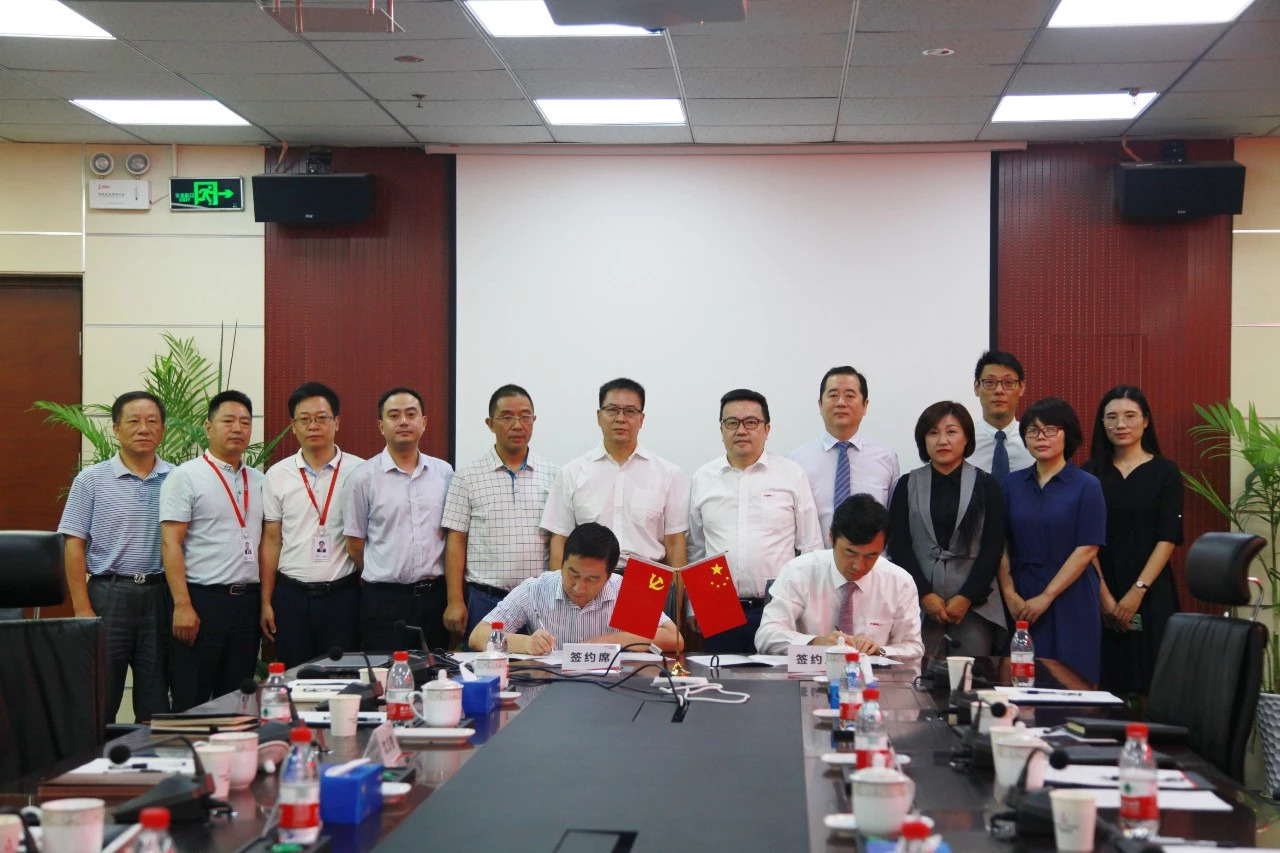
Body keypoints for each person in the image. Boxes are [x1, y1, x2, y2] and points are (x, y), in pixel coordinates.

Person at [58, 391, 173, 723]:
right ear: (116, 429)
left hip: (160, 595)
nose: (143, 428)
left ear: (162, 429)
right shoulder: (91, 480)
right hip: (108, 594)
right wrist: (81, 608)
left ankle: (150, 756)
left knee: (155, 700)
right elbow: (73, 543)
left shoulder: (177, 478)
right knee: (100, 696)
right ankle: (93, 756)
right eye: (134, 421)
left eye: (152, 421)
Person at [687, 388, 822, 653]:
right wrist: (694, 606)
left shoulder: (791, 475)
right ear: (721, 429)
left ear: (767, 429)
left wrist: (809, 610)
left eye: (751, 422)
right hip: (717, 605)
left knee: (777, 679)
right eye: (732, 423)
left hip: (778, 606)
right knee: (719, 677)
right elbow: (697, 549)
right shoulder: (703, 478)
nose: (741, 430)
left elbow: (810, 547)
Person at [160, 391, 264, 712]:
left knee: (237, 700)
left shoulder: (260, 480)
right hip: (202, 602)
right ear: (208, 427)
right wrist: (182, 605)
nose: (237, 428)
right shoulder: (186, 476)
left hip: (247, 605)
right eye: (228, 421)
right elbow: (170, 543)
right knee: (191, 699)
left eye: (244, 422)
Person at [1082, 385, 1184, 696]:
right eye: (1111, 417)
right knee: (1105, 684)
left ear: (1146, 421)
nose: (1120, 424)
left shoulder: (1166, 471)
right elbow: (1085, 540)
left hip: (1151, 590)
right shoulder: (1089, 474)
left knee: (1155, 685)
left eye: (1130, 416)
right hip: (1101, 587)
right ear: (1102, 423)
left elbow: (1168, 537)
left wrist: (1137, 592)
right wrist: (1105, 598)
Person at [998, 397, 1106, 684]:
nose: (1041, 437)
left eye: (1050, 429)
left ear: (1067, 434)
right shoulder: (1011, 484)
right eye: (1033, 430)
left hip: (1072, 595)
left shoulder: (1087, 485)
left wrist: (1047, 596)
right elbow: (1000, 544)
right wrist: (1009, 592)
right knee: (1020, 679)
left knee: (1073, 681)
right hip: (1022, 594)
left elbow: (1088, 548)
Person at [887, 401, 1006, 658]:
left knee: (971, 675)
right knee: (918, 674)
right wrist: (924, 594)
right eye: (933, 433)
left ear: (967, 438)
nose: (942, 440)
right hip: (918, 601)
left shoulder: (987, 484)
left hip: (975, 602)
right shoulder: (907, 484)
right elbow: (899, 544)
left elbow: (993, 547)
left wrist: (967, 597)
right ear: (923, 440)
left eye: (951, 432)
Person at [259, 382, 364, 668]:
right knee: (295, 679)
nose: (313, 426)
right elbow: (271, 540)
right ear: (293, 426)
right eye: (304, 419)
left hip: (343, 596)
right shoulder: (277, 475)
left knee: (343, 678)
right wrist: (266, 601)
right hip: (291, 598)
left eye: (321, 418)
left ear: (336, 422)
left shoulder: (360, 472)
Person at [443, 384, 560, 637]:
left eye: (525, 416)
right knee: (485, 660)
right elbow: (456, 540)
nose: (517, 425)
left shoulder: (554, 475)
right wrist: (455, 600)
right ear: (490, 423)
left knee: (541, 661)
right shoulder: (467, 477)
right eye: (507, 417)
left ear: (534, 420)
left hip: (538, 600)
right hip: (485, 599)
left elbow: (558, 540)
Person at [344, 387, 453, 653]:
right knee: (386, 672)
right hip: (384, 602)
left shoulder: (444, 473)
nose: (403, 421)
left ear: (424, 422)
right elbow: (355, 544)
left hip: (434, 599)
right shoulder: (362, 478)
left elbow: (451, 538)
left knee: (436, 672)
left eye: (411, 414)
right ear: (381, 426)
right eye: (394, 416)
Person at [540, 378, 688, 572]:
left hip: (648, 580)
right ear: (598, 416)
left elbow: (675, 543)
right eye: (612, 410)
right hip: (589, 578)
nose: (620, 418)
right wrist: (559, 589)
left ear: (641, 419)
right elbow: (560, 540)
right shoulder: (572, 473)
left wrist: (676, 592)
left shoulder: (668, 474)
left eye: (630, 411)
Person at [468, 522, 680, 654]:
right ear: (562, 563)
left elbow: (674, 638)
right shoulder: (535, 589)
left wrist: (609, 642)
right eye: (573, 574)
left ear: (609, 575)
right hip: (549, 692)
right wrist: (526, 644)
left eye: (592, 579)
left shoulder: (623, 589)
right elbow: (478, 636)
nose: (579, 587)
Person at [755, 493, 923, 658]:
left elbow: (913, 646)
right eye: (850, 552)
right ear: (831, 536)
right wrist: (815, 642)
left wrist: (880, 651)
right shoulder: (799, 572)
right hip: (809, 674)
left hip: (873, 675)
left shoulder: (899, 582)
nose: (858, 565)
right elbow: (767, 635)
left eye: (871, 556)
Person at [788, 366, 899, 546]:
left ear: (865, 405)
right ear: (820, 405)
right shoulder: (796, 460)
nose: (841, 403)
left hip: (872, 561)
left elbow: (893, 520)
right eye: (833, 395)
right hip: (816, 560)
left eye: (849, 396)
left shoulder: (886, 457)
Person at [969, 350, 1034, 483]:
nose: (999, 390)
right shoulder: (963, 441)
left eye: (1008, 383)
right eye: (989, 382)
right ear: (976, 387)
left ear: (1022, 387)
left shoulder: (1035, 441)